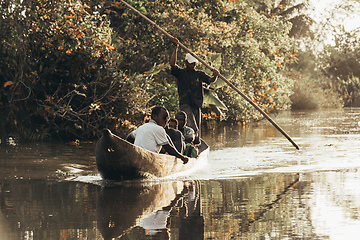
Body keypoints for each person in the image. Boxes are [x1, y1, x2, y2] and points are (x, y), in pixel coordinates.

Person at [170, 37, 219, 143]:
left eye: (194, 63)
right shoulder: (181, 73)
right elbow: (173, 65)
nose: (193, 65)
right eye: (191, 63)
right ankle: (189, 143)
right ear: (186, 62)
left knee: (198, 130)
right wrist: (176, 48)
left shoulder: (199, 74)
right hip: (185, 103)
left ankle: (195, 144)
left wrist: (215, 76)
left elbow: (210, 80)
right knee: (192, 127)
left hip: (197, 104)